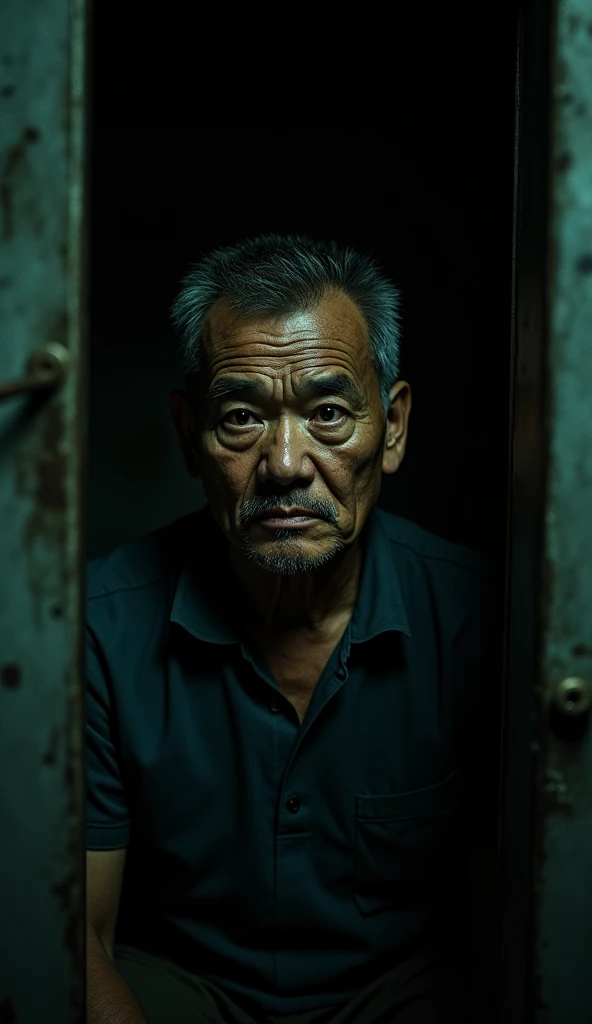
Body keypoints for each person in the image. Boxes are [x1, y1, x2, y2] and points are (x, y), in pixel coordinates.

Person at [86, 234, 499, 1024]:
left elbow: (513, 920)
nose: (283, 463)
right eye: (241, 416)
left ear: (396, 424)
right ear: (187, 435)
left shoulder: (477, 619)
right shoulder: (102, 624)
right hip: (181, 991)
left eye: (329, 414)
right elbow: (77, 930)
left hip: (401, 994)